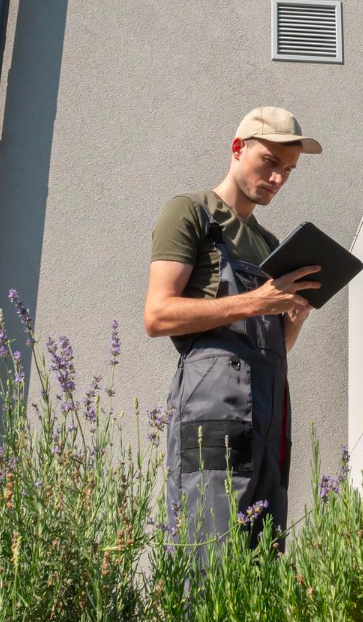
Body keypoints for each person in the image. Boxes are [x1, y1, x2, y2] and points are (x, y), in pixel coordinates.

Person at [143, 106, 322, 555]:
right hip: (213, 409)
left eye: (288, 170)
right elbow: (157, 315)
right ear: (238, 149)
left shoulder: (271, 246)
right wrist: (256, 301)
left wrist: (293, 323)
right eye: (269, 163)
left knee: (263, 562)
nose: (278, 178)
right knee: (209, 555)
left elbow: (268, 346)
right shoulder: (191, 213)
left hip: (269, 412)